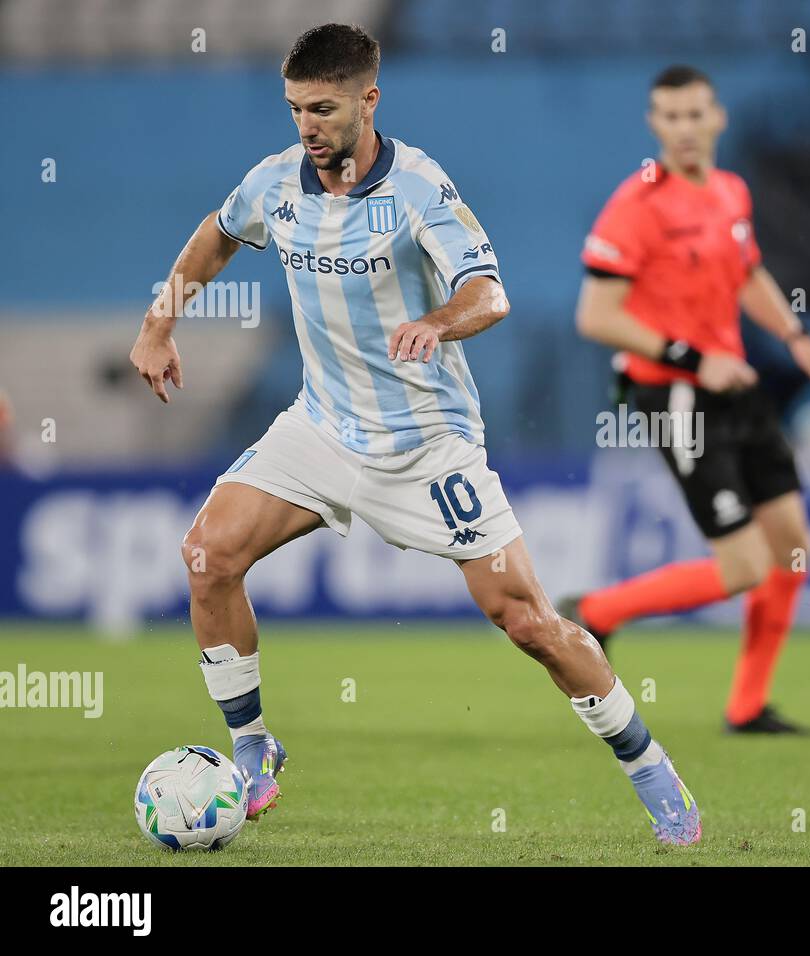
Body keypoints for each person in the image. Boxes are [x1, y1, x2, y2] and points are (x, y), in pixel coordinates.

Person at [127, 23, 700, 845]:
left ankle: (651, 771)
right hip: (320, 432)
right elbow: (217, 234)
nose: (307, 127)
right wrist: (159, 324)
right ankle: (253, 750)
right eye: (294, 109)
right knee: (207, 556)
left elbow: (489, 292)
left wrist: (439, 320)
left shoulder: (421, 190)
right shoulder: (274, 185)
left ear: (369, 99)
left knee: (531, 623)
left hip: (427, 448)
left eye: (323, 109)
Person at [566, 65, 810, 734]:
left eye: (696, 115)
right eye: (670, 116)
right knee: (745, 566)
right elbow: (596, 316)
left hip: (736, 386)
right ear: (654, 125)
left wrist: (797, 336)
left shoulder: (729, 192)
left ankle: (747, 706)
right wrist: (693, 358)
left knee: (793, 548)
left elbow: (746, 274)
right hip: (678, 395)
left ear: (717, 119)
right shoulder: (636, 205)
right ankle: (595, 611)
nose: (684, 129)